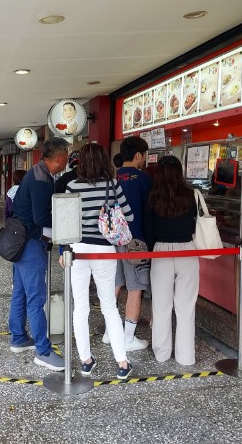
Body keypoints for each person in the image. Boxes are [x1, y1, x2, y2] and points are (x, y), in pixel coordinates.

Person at [65, 143, 134, 379]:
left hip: (78, 250)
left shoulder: (72, 186)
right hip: (105, 250)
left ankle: (86, 360)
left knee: (80, 306)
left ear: (81, 162)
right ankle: (122, 363)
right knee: (109, 307)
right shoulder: (113, 185)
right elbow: (129, 215)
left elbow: (65, 224)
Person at [9, 137, 69, 371]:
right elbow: (40, 217)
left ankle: (19, 338)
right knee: (36, 299)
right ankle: (43, 352)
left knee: (21, 293)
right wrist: (64, 222)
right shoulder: (42, 180)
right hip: (32, 244)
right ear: (60, 157)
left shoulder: (35, 172)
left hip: (20, 243)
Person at [144, 156, 199, 365]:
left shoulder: (153, 197)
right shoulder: (191, 195)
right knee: (186, 307)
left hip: (160, 252)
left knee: (161, 306)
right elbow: (195, 225)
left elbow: (149, 231)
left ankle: (162, 353)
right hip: (187, 250)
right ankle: (186, 357)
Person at [106, 136, 152, 351]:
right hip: (136, 241)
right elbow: (149, 213)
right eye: (144, 156)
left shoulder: (110, 178)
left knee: (114, 284)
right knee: (135, 288)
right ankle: (127, 338)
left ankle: (109, 331)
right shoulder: (144, 180)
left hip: (111, 241)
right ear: (138, 155)